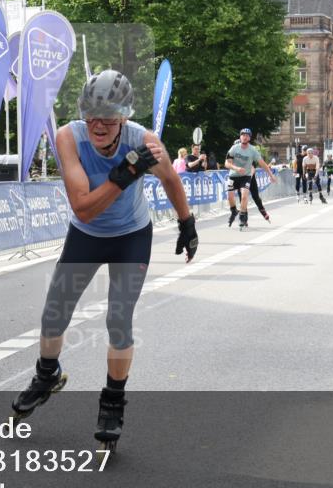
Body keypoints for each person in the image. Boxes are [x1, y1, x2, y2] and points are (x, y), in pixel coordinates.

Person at [10, 69, 197, 452]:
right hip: (88, 234)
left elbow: (171, 181)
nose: (98, 125)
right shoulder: (69, 137)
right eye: (91, 116)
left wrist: (187, 224)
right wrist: (125, 175)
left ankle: (113, 400)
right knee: (54, 312)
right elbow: (84, 209)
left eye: (108, 118)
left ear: (124, 117)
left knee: (118, 318)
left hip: (131, 235)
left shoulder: (144, 140)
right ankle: (47, 375)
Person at [225, 129, 277, 229]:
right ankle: (233, 211)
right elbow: (227, 163)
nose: (244, 137)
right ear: (240, 137)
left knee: (244, 196)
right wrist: (236, 168)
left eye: (247, 135)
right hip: (234, 175)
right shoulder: (234, 148)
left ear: (249, 138)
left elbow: (262, 164)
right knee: (230, 197)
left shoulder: (253, 150)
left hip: (246, 176)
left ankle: (242, 217)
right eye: (242, 135)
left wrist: (271, 175)